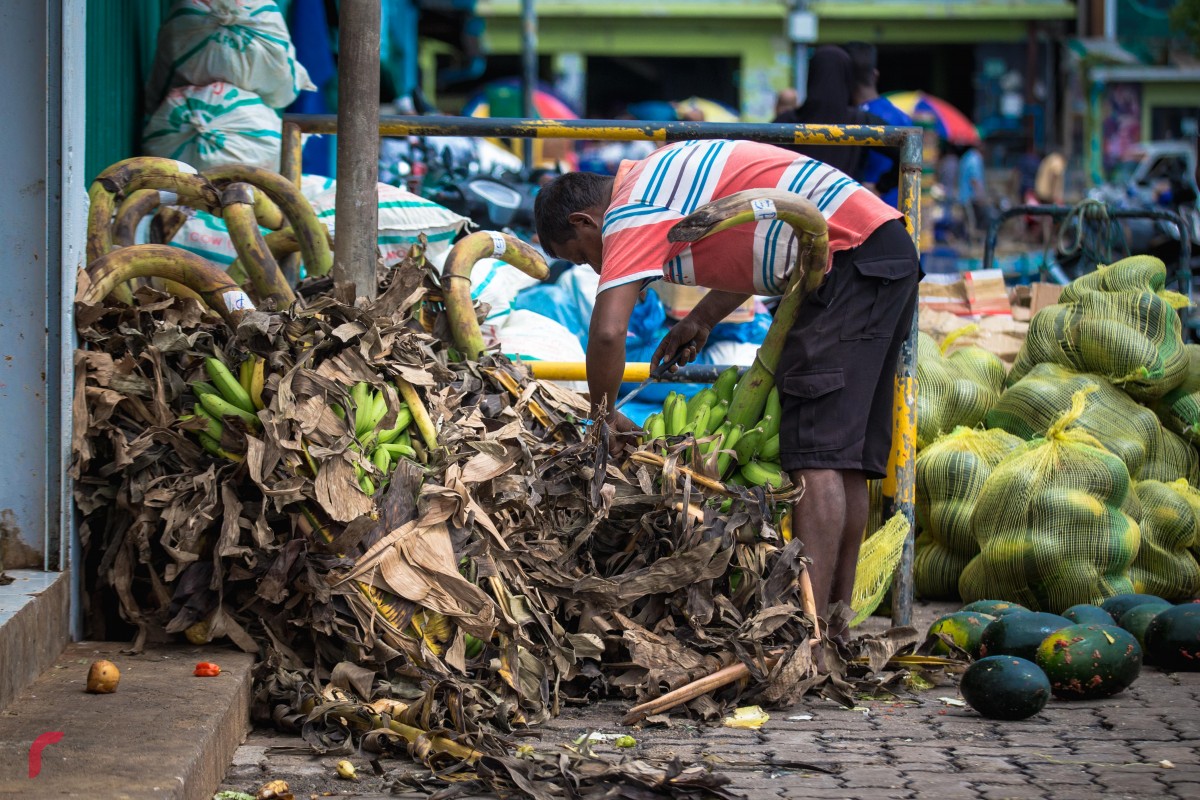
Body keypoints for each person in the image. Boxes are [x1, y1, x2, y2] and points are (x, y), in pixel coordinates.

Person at [533, 140, 921, 628]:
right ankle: (836, 628)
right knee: (843, 458)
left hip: (847, 258)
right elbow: (763, 237)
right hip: (876, 251)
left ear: (583, 223)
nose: (593, 266)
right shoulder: (656, 181)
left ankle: (810, 634)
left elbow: (609, 331)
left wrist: (602, 414)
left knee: (816, 454)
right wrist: (703, 317)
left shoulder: (626, 211)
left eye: (581, 256)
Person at [773, 46, 874, 180]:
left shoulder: (785, 122)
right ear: (847, 78)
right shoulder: (861, 120)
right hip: (844, 199)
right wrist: (881, 185)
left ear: (812, 76)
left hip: (797, 199)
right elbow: (904, 145)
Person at [843, 41, 912, 208]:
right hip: (901, 215)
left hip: (866, 214)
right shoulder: (902, 117)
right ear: (875, 75)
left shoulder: (852, 120)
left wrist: (879, 187)